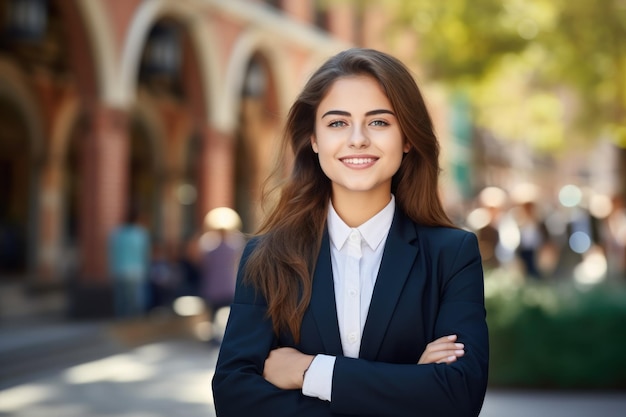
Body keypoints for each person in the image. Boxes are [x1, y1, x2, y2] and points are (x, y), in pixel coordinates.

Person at [212, 48, 489, 416]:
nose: (357, 139)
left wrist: (311, 371)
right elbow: (234, 397)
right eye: (337, 123)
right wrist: (409, 386)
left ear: (407, 137)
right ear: (313, 139)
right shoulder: (267, 256)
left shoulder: (451, 254)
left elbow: (459, 396)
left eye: (378, 122)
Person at [199, 207, 245, 344]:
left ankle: (215, 336)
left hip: (214, 285)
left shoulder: (209, 246)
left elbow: (202, 263)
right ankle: (230, 335)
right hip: (227, 285)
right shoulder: (235, 245)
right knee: (230, 313)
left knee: (213, 314)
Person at [108, 208, 151, 318]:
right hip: (136, 272)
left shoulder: (118, 234)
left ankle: (122, 322)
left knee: (122, 301)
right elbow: (145, 255)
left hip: (120, 271)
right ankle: (133, 323)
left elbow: (113, 253)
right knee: (135, 301)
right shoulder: (141, 234)